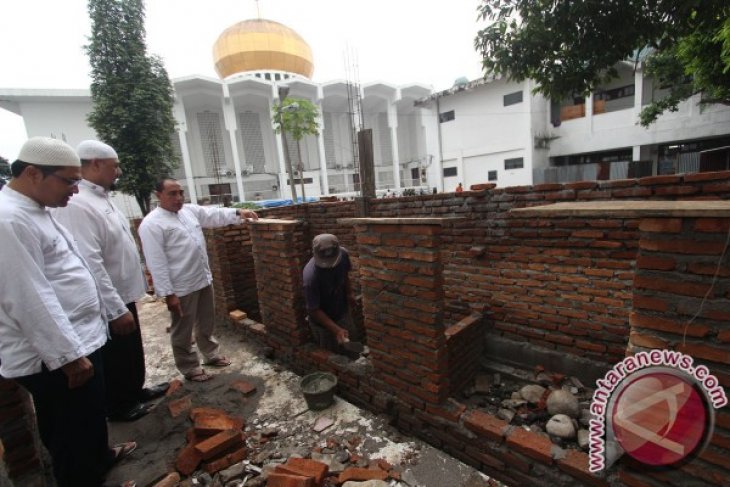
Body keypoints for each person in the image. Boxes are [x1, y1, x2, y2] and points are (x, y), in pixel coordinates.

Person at [0, 137, 136, 486]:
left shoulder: (37, 210)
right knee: (69, 430)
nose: (76, 189)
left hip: (81, 338)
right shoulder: (9, 220)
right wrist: (67, 356)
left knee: (89, 415)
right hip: (54, 356)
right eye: (69, 180)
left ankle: (100, 459)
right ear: (32, 173)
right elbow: (27, 295)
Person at [51, 140, 169, 422]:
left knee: (131, 349)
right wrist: (115, 309)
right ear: (95, 164)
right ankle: (119, 404)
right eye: (114, 166)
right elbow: (90, 260)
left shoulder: (101, 198)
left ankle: (134, 390)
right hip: (109, 297)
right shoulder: (77, 203)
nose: (118, 172)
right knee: (117, 353)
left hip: (124, 292)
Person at [138, 178, 258, 382]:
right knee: (182, 328)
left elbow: (212, 214)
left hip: (201, 277)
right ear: (158, 195)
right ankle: (189, 366)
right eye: (172, 194)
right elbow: (156, 263)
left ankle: (211, 354)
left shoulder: (188, 212)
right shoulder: (152, 224)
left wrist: (238, 213)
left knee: (206, 321)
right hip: (181, 286)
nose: (179, 198)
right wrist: (168, 294)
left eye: (180, 193)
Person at [302, 234, 360, 354]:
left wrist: (349, 293)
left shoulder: (343, 254)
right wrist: (336, 329)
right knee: (332, 353)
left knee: (352, 345)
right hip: (323, 322)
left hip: (342, 312)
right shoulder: (310, 276)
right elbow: (314, 309)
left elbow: (345, 275)